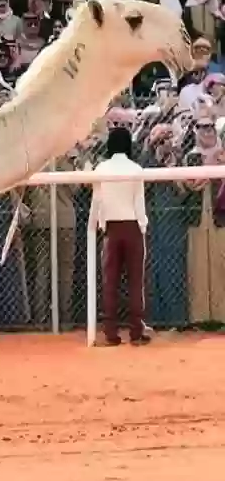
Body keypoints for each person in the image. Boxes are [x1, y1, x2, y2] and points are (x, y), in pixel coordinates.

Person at [90, 127, 150, 346]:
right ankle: (136, 331)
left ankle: (110, 333)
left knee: (110, 282)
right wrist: (142, 226)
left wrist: (100, 223)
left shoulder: (101, 169)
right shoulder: (136, 169)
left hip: (111, 228)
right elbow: (139, 202)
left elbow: (97, 200)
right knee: (136, 282)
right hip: (132, 226)